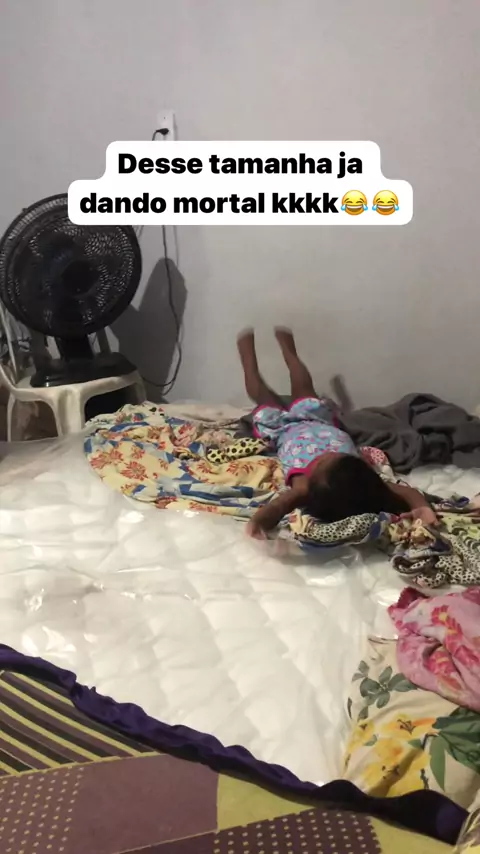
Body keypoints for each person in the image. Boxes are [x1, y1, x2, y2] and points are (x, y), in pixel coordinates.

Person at [237, 328, 438, 538]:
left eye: (320, 463)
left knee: (262, 396)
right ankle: (289, 351)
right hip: (318, 420)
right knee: (303, 386)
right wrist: (423, 509)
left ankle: (248, 358)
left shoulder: (303, 487)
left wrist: (258, 522)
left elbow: (279, 506)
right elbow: (408, 493)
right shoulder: (365, 484)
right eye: (338, 456)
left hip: (284, 429)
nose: (326, 454)